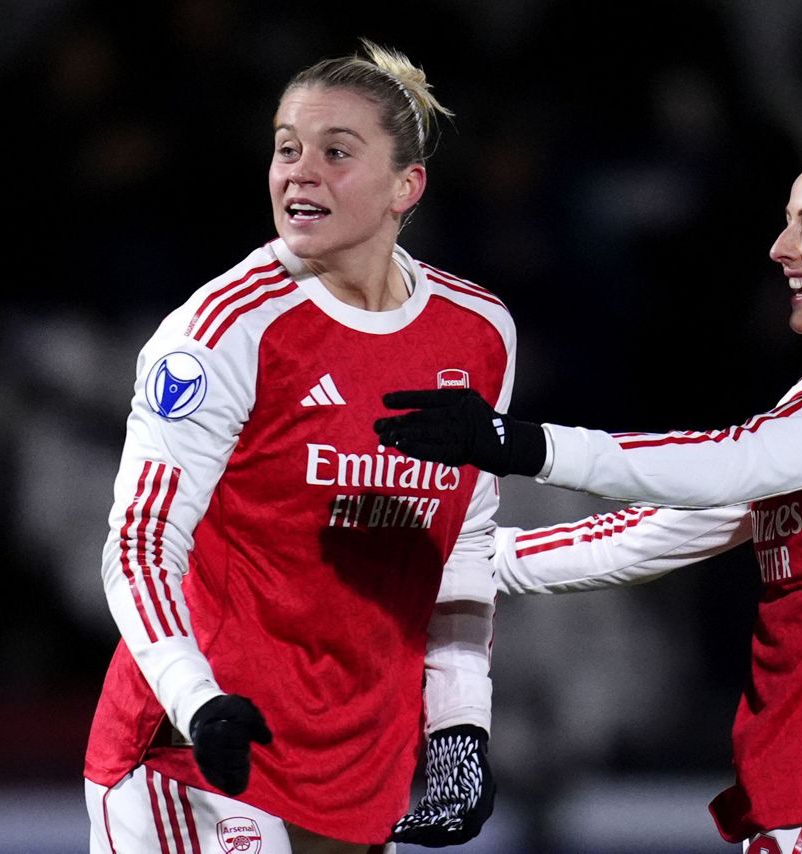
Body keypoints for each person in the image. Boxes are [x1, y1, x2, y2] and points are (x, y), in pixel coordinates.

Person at [376, 138, 802, 852]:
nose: (780, 249)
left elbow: (731, 464)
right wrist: (456, 561)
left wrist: (520, 444)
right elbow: (665, 530)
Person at [84, 41, 512, 854]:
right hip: (200, 751)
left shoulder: (479, 333)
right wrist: (196, 699)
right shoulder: (220, 330)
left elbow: (462, 543)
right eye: (287, 149)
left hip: (357, 773)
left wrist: (460, 724)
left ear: (406, 187)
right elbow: (140, 543)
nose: (299, 174)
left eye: (335, 153)